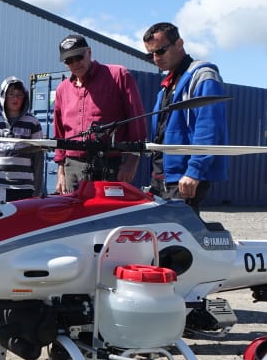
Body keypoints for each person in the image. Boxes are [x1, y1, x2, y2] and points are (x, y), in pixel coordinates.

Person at [143, 22, 228, 215]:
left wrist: (194, 171)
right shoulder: (167, 85)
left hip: (184, 177)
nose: (156, 58)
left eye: (160, 51)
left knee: (178, 237)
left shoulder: (203, 76)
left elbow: (209, 127)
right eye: (150, 55)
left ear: (179, 43)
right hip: (162, 176)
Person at [52, 34, 146, 193]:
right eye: (69, 61)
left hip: (111, 164)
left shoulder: (118, 76)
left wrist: (132, 161)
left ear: (89, 52)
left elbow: (136, 121)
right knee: (74, 217)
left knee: (110, 216)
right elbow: (60, 133)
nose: (75, 63)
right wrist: (60, 172)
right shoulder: (62, 89)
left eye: (78, 57)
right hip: (72, 168)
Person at [0, 77, 44, 205]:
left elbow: (38, 158)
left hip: (24, 187)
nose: (15, 99)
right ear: (3, 96)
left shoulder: (33, 123)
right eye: (11, 94)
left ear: (25, 98)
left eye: (20, 95)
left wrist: (37, 188)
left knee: (21, 224)